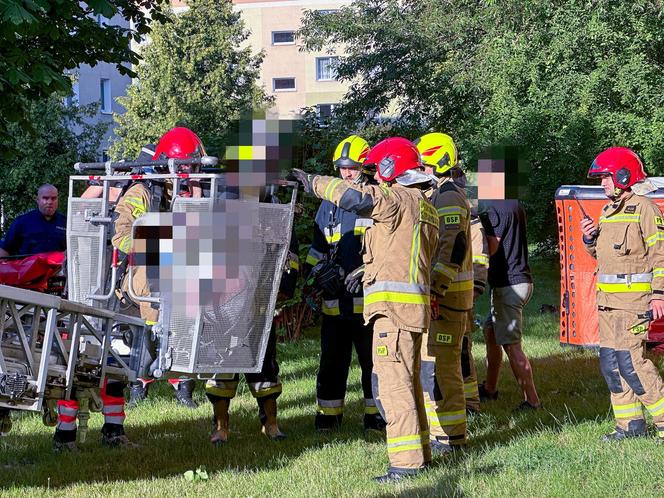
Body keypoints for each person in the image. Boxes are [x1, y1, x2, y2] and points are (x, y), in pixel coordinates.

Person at [292, 136, 439, 483]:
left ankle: (405, 464)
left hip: (393, 311)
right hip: (411, 309)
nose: (374, 173)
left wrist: (313, 182)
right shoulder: (423, 204)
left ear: (390, 168)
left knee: (393, 386)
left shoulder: (396, 199)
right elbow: (399, 252)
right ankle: (421, 455)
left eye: (376, 167)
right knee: (409, 382)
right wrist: (364, 270)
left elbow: (356, 198)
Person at [581, 147, 664, 441]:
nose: (602, 183)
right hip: (607, 304)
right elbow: (603, 256)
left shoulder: (645, 208)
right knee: (611, 364)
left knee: (632, 363)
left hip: (633, 304)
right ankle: (630, 425)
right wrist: (589, 237)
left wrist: (659, 295)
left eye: (606, 177)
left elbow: (660, 255)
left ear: (623, 175)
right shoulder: (607, 211)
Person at [304, 135, 385, 432]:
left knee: (372, 364)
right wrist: (314, 276)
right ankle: (328, 418)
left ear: (365, 166)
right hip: (334, 301)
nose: (346, 174)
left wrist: (364, 271)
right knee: (331, 364)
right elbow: (317, 247)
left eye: (351, 168)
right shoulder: (328, 204)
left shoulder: (376, 201)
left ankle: (375, 417)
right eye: (341, 168)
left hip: (368, 303)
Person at [117, 131, 203, 409]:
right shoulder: (142, 192)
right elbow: (120, 237)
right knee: (149, 324)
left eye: (193, 165)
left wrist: (198, 198)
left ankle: (183, 385)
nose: (189, 172)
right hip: (142, 277)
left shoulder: (192, 193)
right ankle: (139, 384)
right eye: (185, 166)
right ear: (167, 163)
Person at [205, 210, 299, 444]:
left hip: (260, 306)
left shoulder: (275, 212)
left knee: (265, 367)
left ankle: (271, 424)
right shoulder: (220, 211)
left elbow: (290, 254)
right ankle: (221, 427)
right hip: (225, 308)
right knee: (222, 368)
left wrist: (286, 284)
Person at [415, 132, 472, 453]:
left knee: (442, 371)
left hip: (447, 301)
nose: (419, 171)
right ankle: (443, 434)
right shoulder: (439, 195)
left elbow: (452, 247)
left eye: (422, 165)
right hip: (442, 299)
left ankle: (452, 439)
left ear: (437, 163)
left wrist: (435, 291)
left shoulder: (449, 197)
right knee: (432, 369)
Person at [478, 199, 540, 410]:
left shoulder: (494, 209)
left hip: (509, 286)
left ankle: (532, 401)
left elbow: (492, 247)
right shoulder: (514, 204)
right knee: (491, 332)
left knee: (512, 346)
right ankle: (490, 388)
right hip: (521, 280)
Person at [0, 184, 66, 257]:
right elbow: (5, 249)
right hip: (28, 268)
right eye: (45, 198)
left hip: (59, 268)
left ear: (57, 200)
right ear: (37, 200)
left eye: (53, 198)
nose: (50, 202)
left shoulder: (66, 223)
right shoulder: (22, 222)